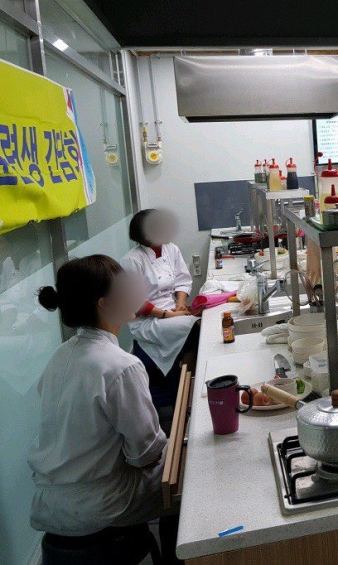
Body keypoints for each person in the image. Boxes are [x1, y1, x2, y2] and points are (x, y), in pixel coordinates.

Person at [30, 255, 171, 544]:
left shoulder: (59, 357)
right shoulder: (121, 366)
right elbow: (146, 454)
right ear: (104, 304)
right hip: (103, 505)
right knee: (186, 472)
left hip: (51, 504)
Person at [121, 209, 199, 401]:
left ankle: (185, 381)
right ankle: (185, 391)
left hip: (172, 308)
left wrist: (180, 304)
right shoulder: (131, 260)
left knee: (197, 325)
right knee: (194, 329)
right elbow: (135, 303)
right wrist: (169, 315)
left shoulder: (171, 249)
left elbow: (182, 279)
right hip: (148, 320)